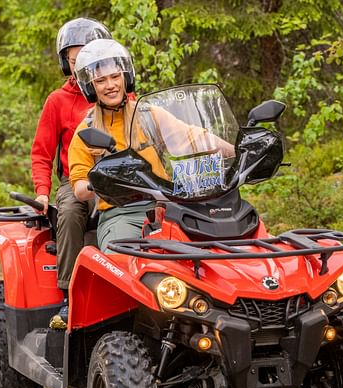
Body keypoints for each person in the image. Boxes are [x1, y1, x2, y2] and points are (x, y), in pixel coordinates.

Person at [68, 40, 234, 253]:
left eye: (115, 76)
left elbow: (193, 136)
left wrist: (238, 151)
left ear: (126, 77)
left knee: (207, 256)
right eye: (101, 80)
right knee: (120, 262)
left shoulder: (148, 115)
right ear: (90, 87)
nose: (110, 85)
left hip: (167, 209)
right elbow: (80, 188)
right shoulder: (87, 131)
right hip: (121, 216)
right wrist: (101, 182)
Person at [31, 18, 112, 329]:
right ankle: (68, 295)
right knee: (69, 210)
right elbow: (41, 152)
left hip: (120, 175)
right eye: (74, 60)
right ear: (65, 62)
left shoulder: (119, 94)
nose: (81, 67)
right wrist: (41, 189)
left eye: (88, 59)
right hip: (75, 179)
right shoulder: (58, 101)